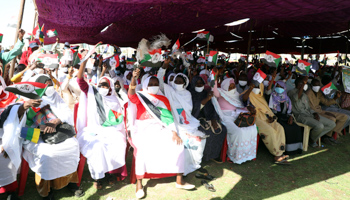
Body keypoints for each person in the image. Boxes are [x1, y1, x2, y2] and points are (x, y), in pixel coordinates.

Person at [128, 68, 194, 199]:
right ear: (146, 85)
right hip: (143, 128)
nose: (153, 86)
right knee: (142, 149)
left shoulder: (163, 99)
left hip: (160, 128)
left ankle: (179, 181)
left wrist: (174, 132)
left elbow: (168, 118)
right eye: (150, 84)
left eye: (155, 84)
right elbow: (130, 95)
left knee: (178, 145)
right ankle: (139, 184)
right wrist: (134, 78)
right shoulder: (141, 96)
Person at [21, 75, 83, 199]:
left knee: (72, 146)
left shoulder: (56, 96)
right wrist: (41, 128)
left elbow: (67, 114)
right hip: (37, 135)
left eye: (50, 84)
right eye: (46, 85)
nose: (49, 87)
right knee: (48, 154)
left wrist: (56, 121)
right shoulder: (30, 100)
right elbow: (22, 127)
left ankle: (71, 182)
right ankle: (46, 190)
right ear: (38, 87)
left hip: (58, 131)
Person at [76, 59, 127, 189]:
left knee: (116, 143)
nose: (103, 87)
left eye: (105, 85)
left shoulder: (114, 98)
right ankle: (98, 177)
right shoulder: (92, 93)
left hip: (111, 130)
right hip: (92, 129)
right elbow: (80, 81)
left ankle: (110, 173)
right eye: (101, 85)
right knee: (97, 146)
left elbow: (118, 118)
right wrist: (83, 63)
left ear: (110, 87)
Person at [162, 73, 207, 176]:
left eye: (180, 81)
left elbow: (188, 109)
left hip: (186, 119)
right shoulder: (170, 91)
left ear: (184, 83)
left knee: (199, 140)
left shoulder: (187, 93)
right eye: (176, 81)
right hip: (174, 119)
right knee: (183, 139)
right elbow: (160, 81)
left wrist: (183, 117)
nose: (178, 83)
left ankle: (194, 163)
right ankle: (181, 167)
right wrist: (163, 67)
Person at [0, 99, 41, 200]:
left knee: (7, 155)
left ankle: (11, 192)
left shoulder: (13, 98)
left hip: (11, 137)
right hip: (7, 137)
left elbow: (14, 113)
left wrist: (25, 106)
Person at [241, 80, 289, 164]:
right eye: (255, 87)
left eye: (258, 87)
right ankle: (276, 155)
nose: (256, 88)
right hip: (256, 118)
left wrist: (272, 117)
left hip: (266, 118)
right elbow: (244, 99)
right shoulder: (249, 94)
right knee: (270, 131)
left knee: (280, 128)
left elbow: (267, 110)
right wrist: (250, 89)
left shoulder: (261, 97)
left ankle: (280, 152)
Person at [213, 77, 258, 164]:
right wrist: (216, 76)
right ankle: (235, 156)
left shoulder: (236, 94)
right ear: (225, 87)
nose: (232, 89)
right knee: (238, 131)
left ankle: (248, 154)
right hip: (225, 117)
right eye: (230, 87)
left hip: (236, 114)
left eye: (233, 86)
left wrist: (248, 108)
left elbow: (241, 105)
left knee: (252, 128)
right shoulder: (221, 92)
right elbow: (214, 90)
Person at [287, 76, 336, 147]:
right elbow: (296, 98)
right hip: (299, 116)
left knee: (332, 124)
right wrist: (303, 85)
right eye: (302, 83)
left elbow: (308, 108)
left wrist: (314, 113)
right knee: (320, 126)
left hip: (309, 114)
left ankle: (311, 137)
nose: (304, 85)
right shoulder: (291, 92)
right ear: (298, 84)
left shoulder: (304, 95)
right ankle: (312, 140)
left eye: (304, 84)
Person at [189, 75, 226, 162]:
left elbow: (213, 108)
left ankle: (214, 154)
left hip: (208, 119)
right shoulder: (190, 93)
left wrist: (214, 119)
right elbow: (194, 109)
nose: (199, 85)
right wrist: (206, 99)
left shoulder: (206, 92)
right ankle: (204, 156)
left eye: (201, 83)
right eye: (197, 84)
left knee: (222, 129)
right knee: (206, 132)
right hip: (195, 119)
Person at [306, 79, 348, 144]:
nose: (317, 87)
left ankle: (330, 135)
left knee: (344, 117)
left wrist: (336, 98)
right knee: (332, 119)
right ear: (311, 85)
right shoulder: (309, 93)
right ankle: (326, 137)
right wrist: (326, 113)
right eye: (315, 85)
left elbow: (326, 102)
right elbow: (311, 108)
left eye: (318, 85)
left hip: (321, 111)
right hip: (315, 113)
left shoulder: (319, 93)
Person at [269, 81, 303, 154]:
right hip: (276, 117)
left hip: (286, 117)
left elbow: (289, 111)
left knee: (296, 127)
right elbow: (270, 111)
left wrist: (290, 118)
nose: (279, 88)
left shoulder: (287, 98)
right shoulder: (272, 96)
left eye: (281, 87)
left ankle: (296, 149)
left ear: (284, 88)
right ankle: (286, 149)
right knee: (285, 128)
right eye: (277, 86)